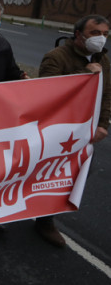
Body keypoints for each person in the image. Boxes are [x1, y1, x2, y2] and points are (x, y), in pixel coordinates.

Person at [35, 14, 110, 247]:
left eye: (105, 34)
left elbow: (106, 94)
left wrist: (103, 125)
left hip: (84, 133)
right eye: (94, 33)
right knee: (42, 175)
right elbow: (47, 94)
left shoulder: (103, 60)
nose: (100, 39)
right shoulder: (56, 58)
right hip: (55, 131)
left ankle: (46, 220)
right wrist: (85, 75)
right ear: (78, 35)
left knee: (71, 178)